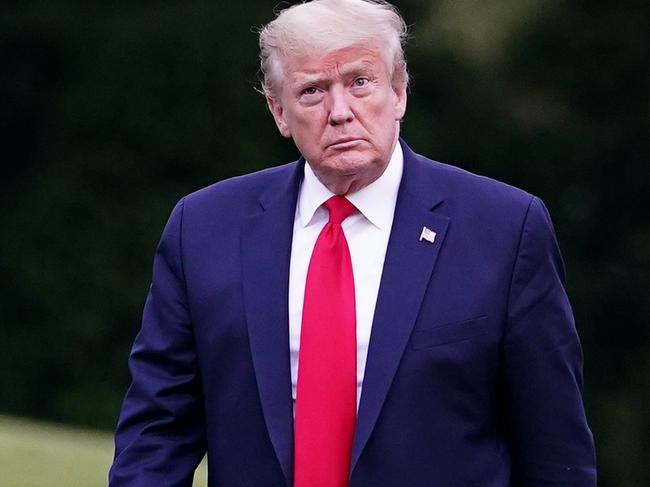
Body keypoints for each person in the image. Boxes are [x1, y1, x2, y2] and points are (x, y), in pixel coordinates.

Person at [109, 0, 596, 486]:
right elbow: (157, 434)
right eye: (312, 90)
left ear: (399, 92)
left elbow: (556, 454)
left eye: (359, 82)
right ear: (279, 112)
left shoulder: (505, 230)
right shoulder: (204, 228)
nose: (340, 112)